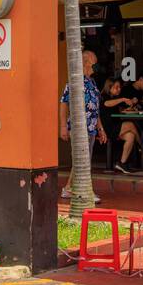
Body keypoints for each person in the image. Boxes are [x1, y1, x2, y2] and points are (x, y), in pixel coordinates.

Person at [60, 50, 106, 199]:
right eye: (94, 62)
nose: (95, 66)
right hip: (79, 127)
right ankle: (86, 191)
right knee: (82, 160)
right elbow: (64, 103)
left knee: (84, 160)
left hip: (91, 127)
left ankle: (68, 188)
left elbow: (95, 106)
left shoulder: (91, 82)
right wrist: (63, 126)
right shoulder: (75, 81)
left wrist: (100, 128)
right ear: (85, 63)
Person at [101, 78, 143, 173]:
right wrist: (123, 99)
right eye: (116, 87)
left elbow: (117, 110)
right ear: (109, 87)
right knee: (130, 125)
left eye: (120, 87)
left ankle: (122, 163)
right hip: (106, 129)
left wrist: (128, 109)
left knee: (130, 136)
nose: (119, 89)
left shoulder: (115, 98)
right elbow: (106, 104)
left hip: (116, 127)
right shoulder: (104, 96)